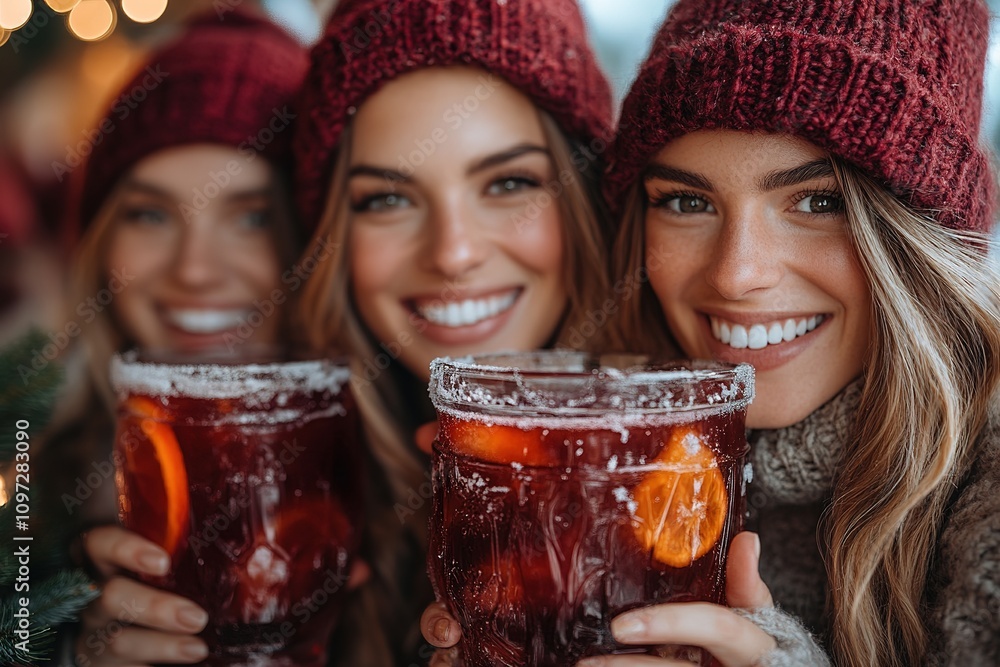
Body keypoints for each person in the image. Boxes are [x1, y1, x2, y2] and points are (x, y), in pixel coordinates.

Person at [422, 0, 1000, 665]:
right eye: (687, 202)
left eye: (819, 201)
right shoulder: (597, 447)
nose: (736, 275)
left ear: (918, 234)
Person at [293, 0, 614, 662]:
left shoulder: (699, 473)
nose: (453, 253)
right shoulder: (290, 500)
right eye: (388, 199)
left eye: (509, 182)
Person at [38, 9, 311, 665]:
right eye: (151, 213)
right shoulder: (26, 466)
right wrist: (69, 649)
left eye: (252, 217)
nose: (193, 269)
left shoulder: (411, 475)